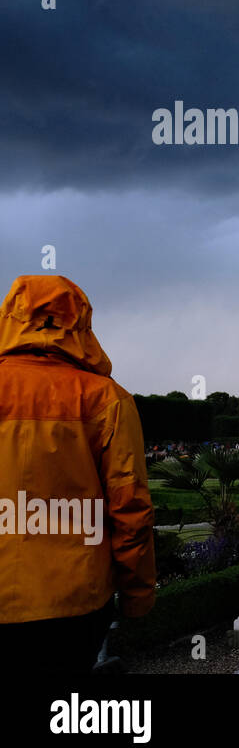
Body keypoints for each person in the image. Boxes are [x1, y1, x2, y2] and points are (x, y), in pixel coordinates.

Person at [0, 275, 156, 675]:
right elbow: (130, 508)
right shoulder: (106, 398)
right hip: (72, 599)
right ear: (81, 323)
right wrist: (137, 595)